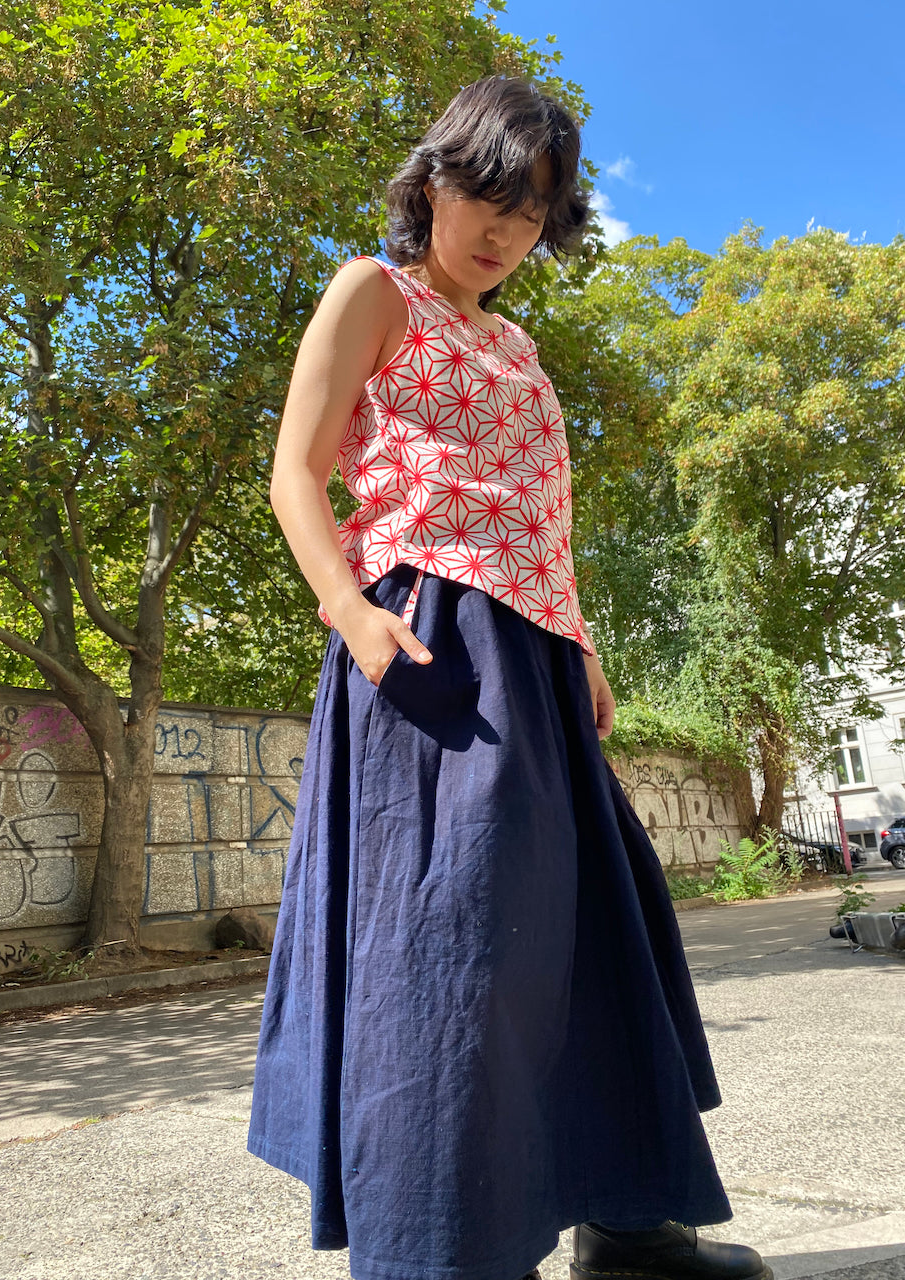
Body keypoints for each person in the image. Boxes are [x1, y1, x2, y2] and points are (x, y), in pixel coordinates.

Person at [247, 75, 773, 1280]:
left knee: (591, 931)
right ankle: (449, 1249)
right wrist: (352, 615)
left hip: (534, 654)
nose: (501, 229)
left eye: (530, 211)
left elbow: (542, 510)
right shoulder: (370, 293)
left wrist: (577, 637)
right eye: (486, 194)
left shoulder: (518, 343)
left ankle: (626, 1217)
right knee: (459, 946)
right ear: (431, 180)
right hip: (427, 640)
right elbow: (296, 469)